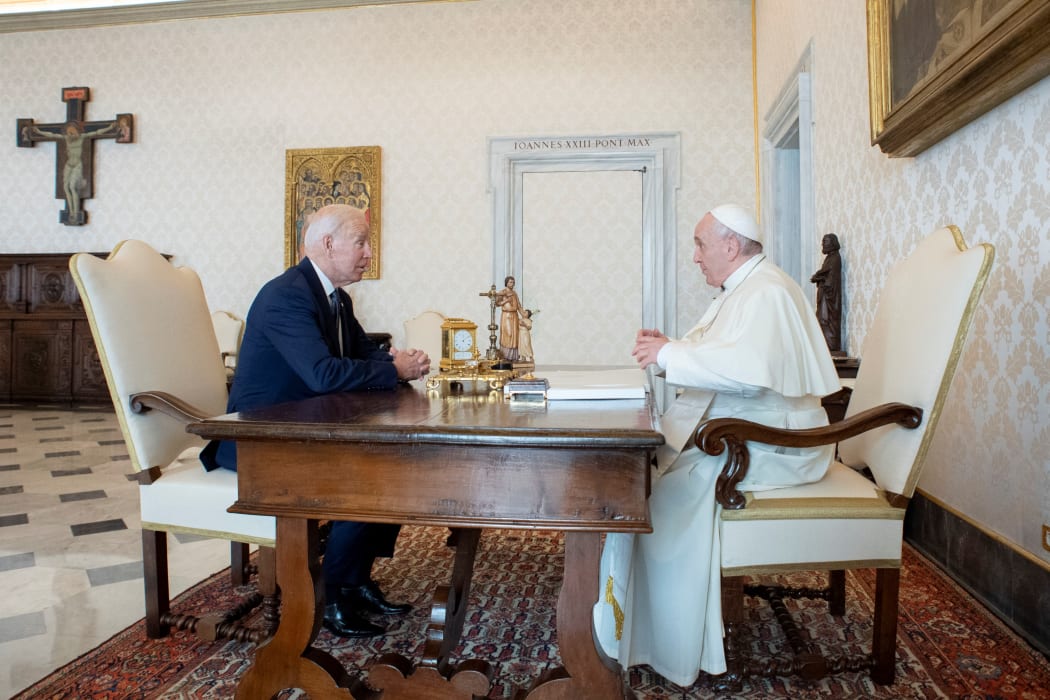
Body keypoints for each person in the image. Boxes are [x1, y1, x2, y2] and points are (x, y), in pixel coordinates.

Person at [592, 204, 839, 686]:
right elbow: (729, 356)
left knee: (657, 497)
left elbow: (745, 372)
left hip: (776, 445)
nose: (695, 257)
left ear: (731, 246)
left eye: (701, 245)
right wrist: (673, 349)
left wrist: (671, 354)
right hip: (756, 431)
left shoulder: (765, 292)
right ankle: (636, 624)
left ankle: (665, 640)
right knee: (645, 478)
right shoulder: (747, 288)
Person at [200, 204, 431, 639]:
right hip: (258, 441)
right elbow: (322, 373)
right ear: (328, 244)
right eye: (361, 242)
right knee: (366, 479)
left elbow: (363, 353)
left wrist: (399, 360)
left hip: (299, 433)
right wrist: (392, 371)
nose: (368, 253)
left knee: (397, 465)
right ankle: (332, 596)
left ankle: (355, 580)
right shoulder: (286, 295)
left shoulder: (336, 297)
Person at [811, 233, 843, 354]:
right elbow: (825, 273)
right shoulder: (829, 258)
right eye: (823, 241)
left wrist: (819, 277)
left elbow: (830, 278)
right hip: (825, 297)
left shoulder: (835, 258)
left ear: (832, 243)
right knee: (821, 320)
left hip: (830, 298)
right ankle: (826, 345)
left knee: (827, 321)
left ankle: (831, 345)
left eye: (825, 242)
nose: (822, 244)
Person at [495, 275, 522, 361]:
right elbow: (497, 303)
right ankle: (505, 355)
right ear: (506, 283)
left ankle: (513, 357)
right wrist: (506, 300)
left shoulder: (514, 293)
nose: (512, 284)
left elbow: (519, 305)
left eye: (513, 282)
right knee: (508, 334)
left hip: (514, 316)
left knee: (515, 335)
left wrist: (525, 314)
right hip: (506, 316)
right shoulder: (502, 292)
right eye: (510, 282)